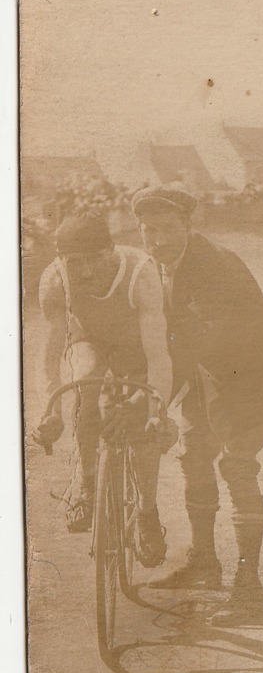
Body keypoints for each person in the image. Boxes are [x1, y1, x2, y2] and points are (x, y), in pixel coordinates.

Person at [132, 185, 263, 626]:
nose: (158, 240)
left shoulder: (215, 266)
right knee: (193, 458)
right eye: (149, 231)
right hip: (208, 378)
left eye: (167, 229)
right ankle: (204, 562)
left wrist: (158, 400)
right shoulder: (157, 267)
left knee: (237, 470)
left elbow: (199, 342)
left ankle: (248, 587)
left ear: (188, 226)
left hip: (249, 380)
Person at [36, 212, 173, 564]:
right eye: (73, 263)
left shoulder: (141, 274)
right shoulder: (54, 281)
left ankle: (146, 512)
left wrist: (157, 411)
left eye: (93, 261)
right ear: (61, 261)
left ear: (110, 251)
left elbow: (158, 356)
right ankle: (84, 481)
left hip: (134, 343)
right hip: (90, 338)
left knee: (142, 418)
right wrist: (49, 410)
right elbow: (51, 353)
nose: (84, 272)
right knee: (84, 381)